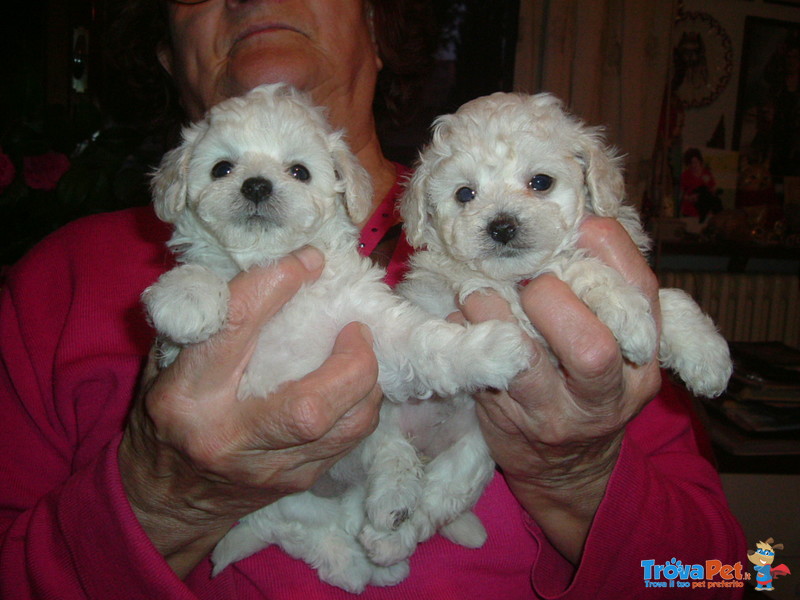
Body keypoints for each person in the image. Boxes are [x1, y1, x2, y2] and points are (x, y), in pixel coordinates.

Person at [0, 1, 747, 598]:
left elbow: (727, 575)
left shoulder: (581, 258)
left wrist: (577, 476)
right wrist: (164, 501)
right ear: (165, 55)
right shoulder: (54, 282)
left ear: (383, 29)